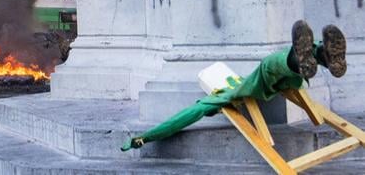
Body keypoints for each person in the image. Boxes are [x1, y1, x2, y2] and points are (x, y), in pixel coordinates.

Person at [123, 20, 347, 151]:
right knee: (268, 66)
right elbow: (194, 112)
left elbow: (191, 112)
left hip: (267, 83)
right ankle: (318, 55)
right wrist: (146, 137)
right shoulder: (221, 95)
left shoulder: (222, 91)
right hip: (255, 88)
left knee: (270, 66)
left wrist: (144, 137)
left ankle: (313, 56)